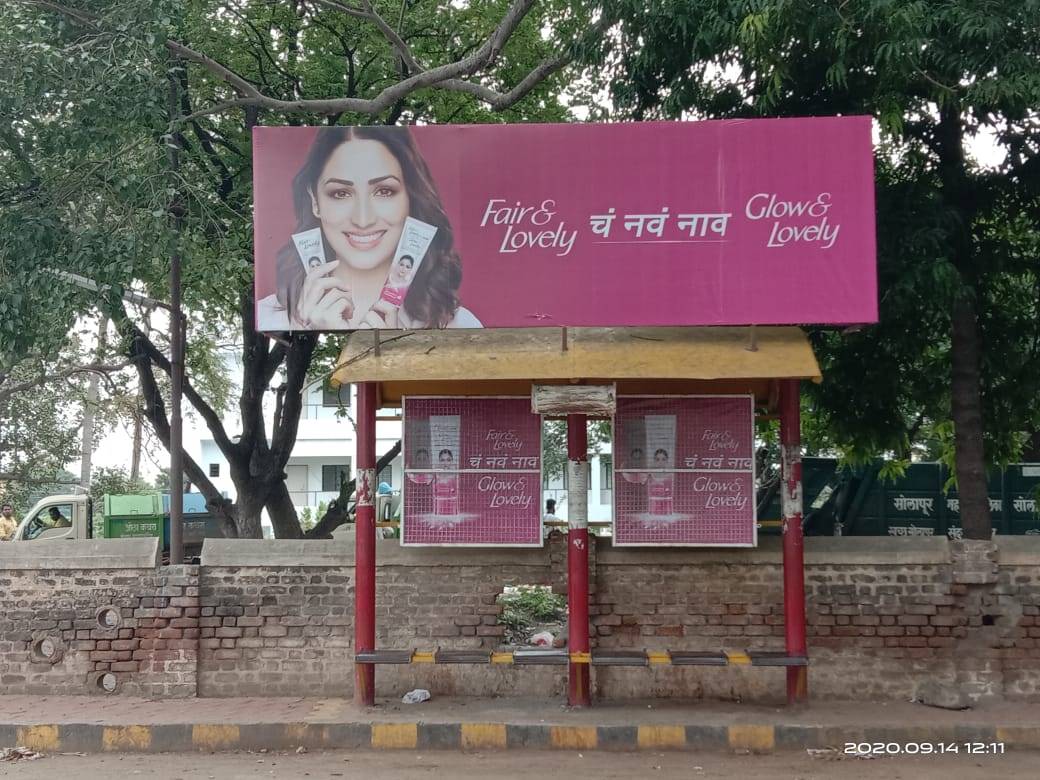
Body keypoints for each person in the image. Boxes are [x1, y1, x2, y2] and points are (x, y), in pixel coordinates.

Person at [258, 126, 482, 331]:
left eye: (384, 191)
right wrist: (309, 334)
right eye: (340, 193)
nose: (363, 219)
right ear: (315, 201)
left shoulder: (458, 325)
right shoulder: (268, 317)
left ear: (410, 200)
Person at [432, 448, 458, 516]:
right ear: (439, 461)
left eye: (448, 460)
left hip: (452, 508)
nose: (445, 463)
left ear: (452, 461)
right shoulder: (435, 474)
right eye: (442, 460)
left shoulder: (456, 475)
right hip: (439, 509)